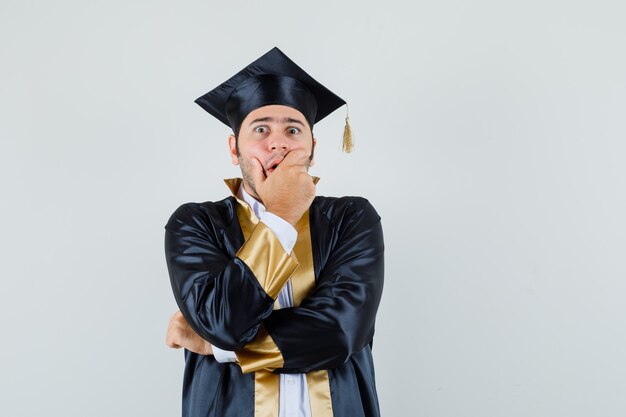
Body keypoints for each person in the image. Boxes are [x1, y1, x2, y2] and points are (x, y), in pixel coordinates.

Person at [163, 47, 385, 417]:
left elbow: (339, 334)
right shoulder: (195, 224)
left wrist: (219, 348)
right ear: (235, 148)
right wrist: (281, 214)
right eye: (261, 128)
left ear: (312, 149)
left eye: (293, 129)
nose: (278, 142)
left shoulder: (351, 218)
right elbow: (225, 322)